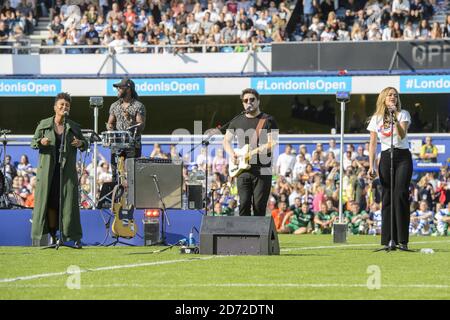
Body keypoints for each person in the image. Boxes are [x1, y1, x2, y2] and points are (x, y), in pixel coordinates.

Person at [30, 92, 87, 248]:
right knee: (50, 203)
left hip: (67, 172)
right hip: (48, 172)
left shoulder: (73, 126)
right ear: (55, 107)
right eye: (61, 104)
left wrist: (80, 143)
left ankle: (72, 236)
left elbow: (85, 144)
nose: (64, 107)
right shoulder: (44, 124)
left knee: (68, 204)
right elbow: (33, 142)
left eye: (67, 105)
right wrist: (41, 141)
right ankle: (54, 236)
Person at [367, 87, 413, 251]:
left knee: (400, 193)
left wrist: (394, 116)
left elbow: (402, 135)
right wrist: (371, 165)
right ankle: (388, 240)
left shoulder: (403, 114)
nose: (393, 97)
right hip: (386, 157)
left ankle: (402, 240)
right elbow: (372, 144)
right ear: (383, 99)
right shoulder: (376, 118)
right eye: (390, 95)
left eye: (395, 95)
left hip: (402, 157)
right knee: (387, 195)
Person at [223, 88, 278, 216]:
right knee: (244, 204)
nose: (249, 102)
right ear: (243, 103)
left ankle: (259, 236)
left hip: (263, 169)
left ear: (258, 101)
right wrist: (232, 154)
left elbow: (271, 144)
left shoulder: (269, 120)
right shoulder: (236, 120)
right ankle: (244, 236)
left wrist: (253, 152)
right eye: (246, 100)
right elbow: (226, 141)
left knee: (259, 206)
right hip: (243, 170)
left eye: (252, 99)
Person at [107, 77, 146, 184]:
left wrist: (130, 120)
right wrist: (110, 128)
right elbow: (110, 123)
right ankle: (116, 199)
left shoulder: (138, 106)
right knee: (115, 174)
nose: (118, 90)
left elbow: (141, 126)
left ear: (128, 89)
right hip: (117, 145)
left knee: (132, 175)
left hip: (133, 145)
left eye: (120, 88)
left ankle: (132, 200)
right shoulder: (114, 106)